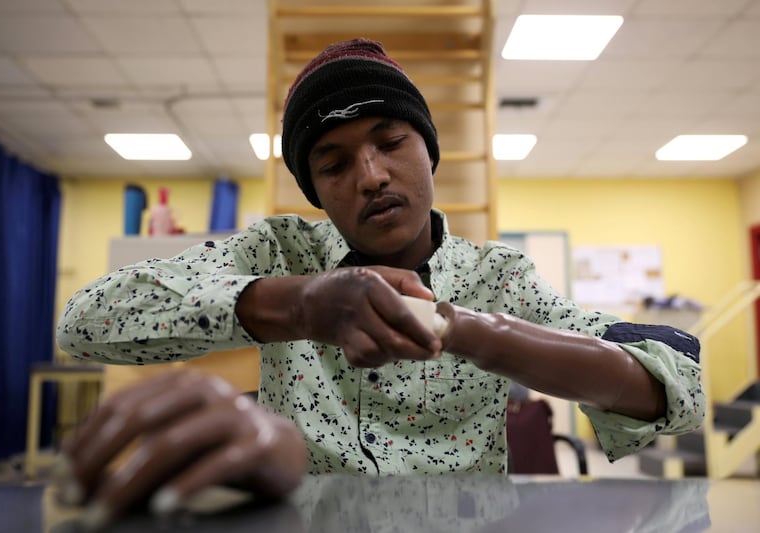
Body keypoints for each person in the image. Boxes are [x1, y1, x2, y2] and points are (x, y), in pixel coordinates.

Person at [54, 39, 704, 528]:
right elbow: (87, 320)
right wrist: (295, 303)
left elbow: (675, 383)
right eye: (333, 163)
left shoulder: (496, 276)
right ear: (315, 190)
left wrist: (471, 330)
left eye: (390, 140)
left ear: (427, 149)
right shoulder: (279, 251)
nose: (370, 175)